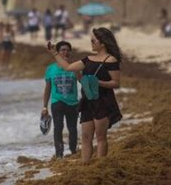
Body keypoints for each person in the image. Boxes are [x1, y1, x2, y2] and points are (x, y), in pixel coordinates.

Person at [47, 27, 122, 164]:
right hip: (88, 101)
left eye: (93, 40)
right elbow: (68, 67)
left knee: (100, 137)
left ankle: (101, 166)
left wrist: (98, 82)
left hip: (103, 101)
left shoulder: (111, 60)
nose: (91, 42)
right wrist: (54, 53)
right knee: (86, 137)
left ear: (102, 42)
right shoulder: (87, 59)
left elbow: (116, 83)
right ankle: (85, 166)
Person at [42, 41, 80, 158]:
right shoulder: (51, 69)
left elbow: (81, 80)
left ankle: (73, 151)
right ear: (57, 52)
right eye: (63, 50)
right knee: (58, 127)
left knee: (72, 128)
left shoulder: (75, 66)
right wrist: (44, 106)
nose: (66, 52)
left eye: (68, 50)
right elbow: (47, 88)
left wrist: (73, 68)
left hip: (73, 103)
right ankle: (59, 153)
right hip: (57, 102)